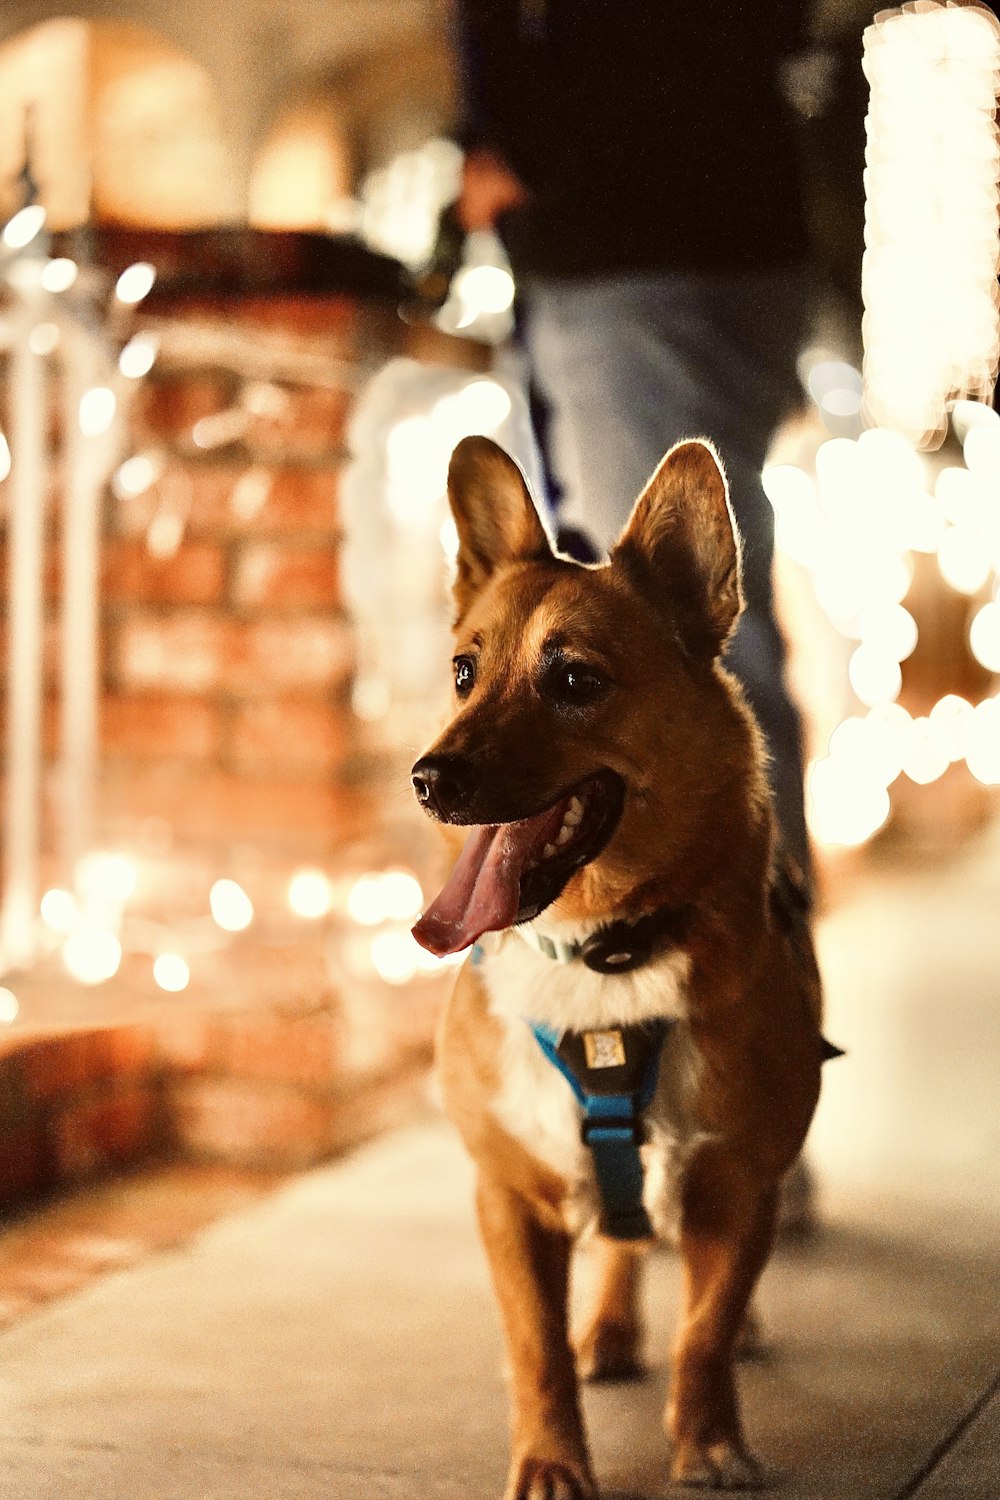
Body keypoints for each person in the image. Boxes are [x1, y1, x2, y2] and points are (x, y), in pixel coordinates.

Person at [451, 0, 815, 890]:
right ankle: (754, 965)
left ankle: (744, 971)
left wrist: (524, 149)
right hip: (689, 226)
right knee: (685, 630)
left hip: (634, 243)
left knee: (681, 639)